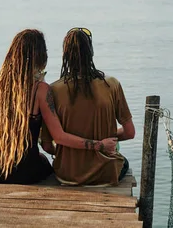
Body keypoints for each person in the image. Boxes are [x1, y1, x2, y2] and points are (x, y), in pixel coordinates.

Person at [0, 28, 118, 184]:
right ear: (39, 55)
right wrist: (100, 145)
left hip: (0, 170)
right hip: (27, 173)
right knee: (44, 162)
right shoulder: (40, 90)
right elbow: (59, 137)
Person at [41, 27, 135, 186]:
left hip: (67, 174)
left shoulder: (52, 91)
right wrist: (103, 140)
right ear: (91, 52)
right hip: (105, 173)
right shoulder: (111, 85)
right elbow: (130, 132)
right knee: (122, 161)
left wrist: (70, 151)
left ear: (66, 56)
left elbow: (47, 145)